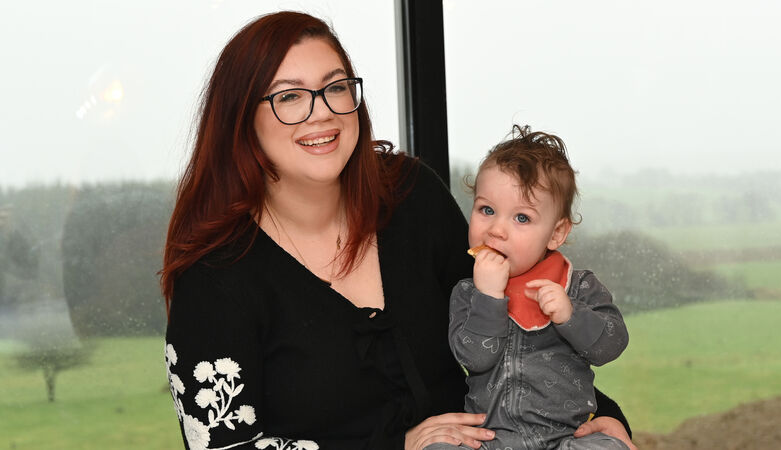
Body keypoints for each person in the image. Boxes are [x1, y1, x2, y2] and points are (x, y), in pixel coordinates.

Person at [161, 11, 635, 450]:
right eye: (289, 96)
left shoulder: (412, 195)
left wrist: (600, 417)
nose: (322, 112)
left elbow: (513, 326)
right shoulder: (213, 277)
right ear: (241, 120)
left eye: (335, 87)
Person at [426, 126, 629, 450]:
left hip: (566, 440)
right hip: (490, 441)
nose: (497, 230)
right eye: (487, 210)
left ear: (556, 233)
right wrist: (488, 297)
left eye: (521, 218)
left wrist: (571, 315)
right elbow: (475, 359)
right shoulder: (467, 293)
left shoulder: (578, 285)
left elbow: (610, 346)